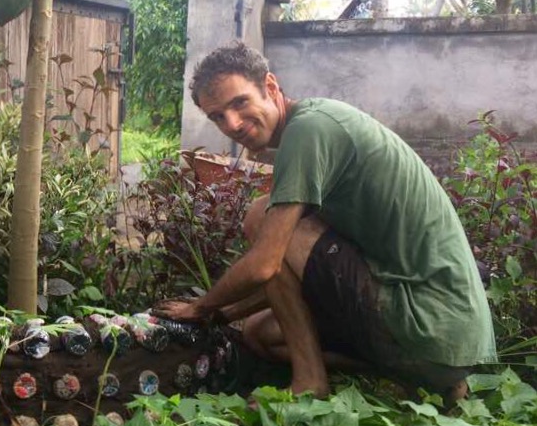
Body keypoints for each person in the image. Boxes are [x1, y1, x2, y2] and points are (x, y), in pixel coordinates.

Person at [156, 42, 496, 400]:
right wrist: (224, 315)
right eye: (218, 117)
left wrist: (202, 306)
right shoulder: (317, 124)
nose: (233, 124)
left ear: (270, 87)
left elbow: (265, 265)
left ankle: (309, 381)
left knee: (261, 214)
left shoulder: (310, 130)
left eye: (239, 103)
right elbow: (292, 274)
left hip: (429, 319)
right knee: (261, 334)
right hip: (446, 345)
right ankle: (420, 378)